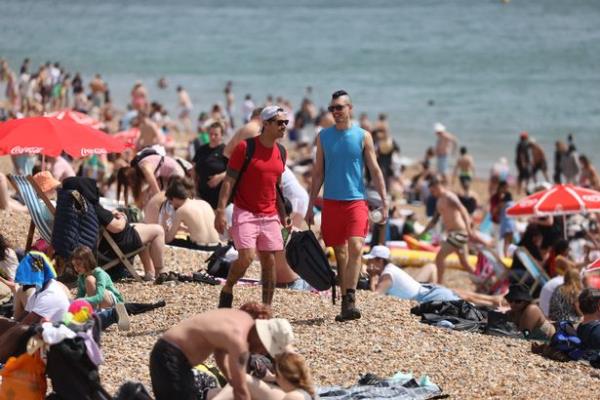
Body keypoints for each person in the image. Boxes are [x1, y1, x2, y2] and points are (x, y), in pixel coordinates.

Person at [305, 90, 388, 322]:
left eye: (339, 108)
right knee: (340, 253)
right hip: (331, 203)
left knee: (356, 246)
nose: (335, 112)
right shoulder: (323, 137)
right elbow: (318, 171)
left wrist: (385, 200)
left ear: (350, 108)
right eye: (332, 109)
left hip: (356, 201)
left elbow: (375, 170)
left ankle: (350, 298)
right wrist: (310, 205)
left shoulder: (363, 136)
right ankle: (345, 302)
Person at [214, 106, 289, 307]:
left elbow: (277, 185)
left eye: (286, 122)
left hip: (270, 214)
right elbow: (229, 180)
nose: (284, 126)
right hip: (245, 211)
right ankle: (228, 287)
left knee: (269, 261)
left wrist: (283, 213)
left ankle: (267, 308)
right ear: (266, 124)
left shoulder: (281, 151)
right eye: (279, 122)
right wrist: (220, 211)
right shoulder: (245, 148)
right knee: (246, 257)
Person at [149, 308, 294, 400]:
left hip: (173, 356)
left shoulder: (243, 320)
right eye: (264, 348)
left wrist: (229, 377)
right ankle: (133, 394)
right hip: (171, 357)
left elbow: (219, 352)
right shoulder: (239, 340)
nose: (261, 352)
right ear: (261, 337)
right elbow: (240, 388)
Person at [365, 245, 504, 308]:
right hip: (428, 291)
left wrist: (372, 277)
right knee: (465, 297)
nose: (369, 263)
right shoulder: (390, 269)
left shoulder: (387, 275)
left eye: (371, 260)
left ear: (380, 261)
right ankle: (493, 300)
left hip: (428, 296)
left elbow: (375, 297)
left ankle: (496, 304)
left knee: (469, 305)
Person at [0, 251, 71, 362]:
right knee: (5, 323)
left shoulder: (50, 295)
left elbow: (25, 323)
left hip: (53, 346)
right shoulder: (40, 289)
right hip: (40, 336)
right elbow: (21, 317)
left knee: (20, 329)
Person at [420, 176, 474, 283]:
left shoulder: (449, 196)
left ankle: (439, 284)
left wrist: (468, 228)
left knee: (439, 257)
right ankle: (481, 280)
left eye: (433, 190)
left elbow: (462, 209)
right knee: (465, 263)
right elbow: (434, 221)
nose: (432, 193)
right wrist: (422, 233)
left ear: (438, 186)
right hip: (453, 234)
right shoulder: (439, 201)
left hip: (460, 233)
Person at [207, 351, 316, 400]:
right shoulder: (304, 391)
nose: (276, 378)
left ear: (283, 376)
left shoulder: (294, 397)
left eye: (276, 374)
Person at [162, 177, 221, 250]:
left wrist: (164, 223)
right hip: (217, 246)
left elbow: (168, 239)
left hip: (200, 247)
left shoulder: (181, 210)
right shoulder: (204, 203)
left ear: (173, 198)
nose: (172, 205)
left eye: (171, 203)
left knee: (169, 243)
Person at [193, 121, 229, 209]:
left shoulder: (226, 150)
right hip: (201, 196)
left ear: (221, 135)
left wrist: (220, 177)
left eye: (216, 134)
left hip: (218, 198)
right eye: (211, 134)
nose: (212, 137)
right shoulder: (201, 150)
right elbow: (194, 168)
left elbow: (234, 170)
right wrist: (193, 186)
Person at [490, 181, 516, 257]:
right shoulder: (495, 198)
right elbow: (493, 211)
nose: (505, 189)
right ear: (500, 187)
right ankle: (501, 257)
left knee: (505, 242)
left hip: (504, 222)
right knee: (499, 241)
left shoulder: (507, 197)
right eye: (504, 187)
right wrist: (500, 206)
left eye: (506, 188)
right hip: (497, 222)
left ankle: (503, 256)